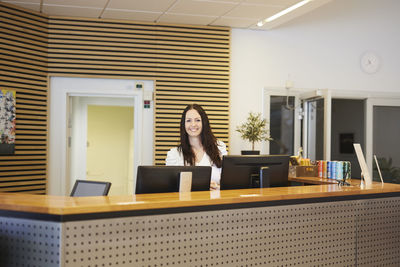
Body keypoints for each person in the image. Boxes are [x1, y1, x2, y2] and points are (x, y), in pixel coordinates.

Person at [166, 104, 227, 189]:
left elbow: (227, 183)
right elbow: (171, 187)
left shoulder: (220, 148)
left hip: (216, 200)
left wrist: (217, 187)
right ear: (183, 124)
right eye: (188, 120)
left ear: (204, 122)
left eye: (197, 120)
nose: (193, 124)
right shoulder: (174, 155)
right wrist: (202, 186)